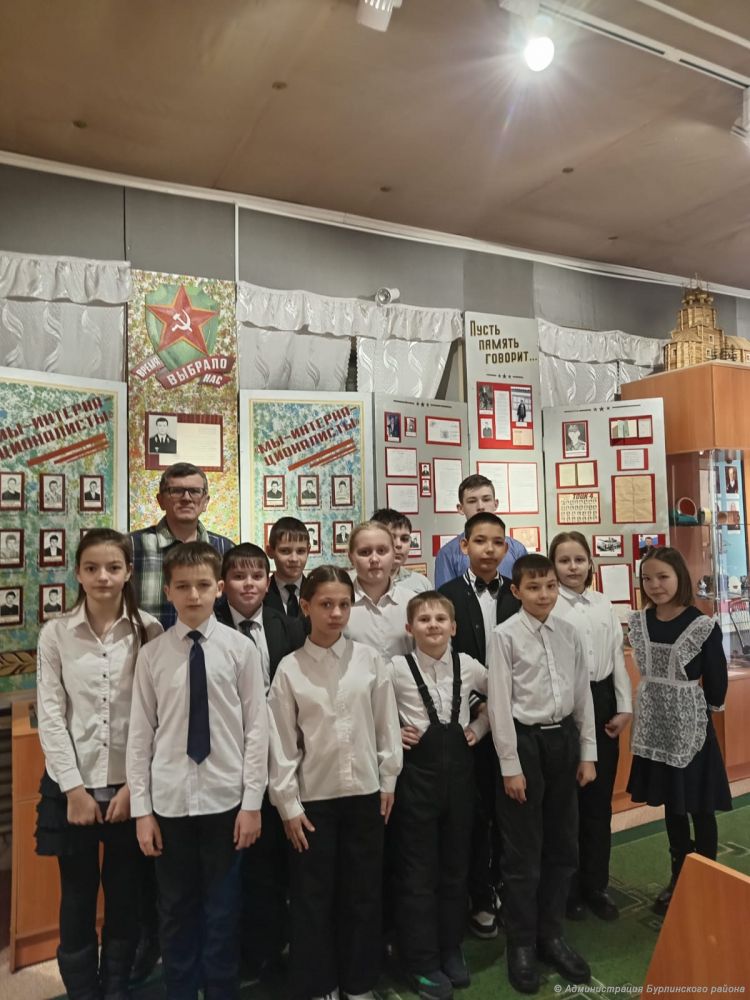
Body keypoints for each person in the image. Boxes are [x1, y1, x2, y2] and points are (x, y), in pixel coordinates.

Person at [127, 542, 269, 1000]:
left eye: (203, 585)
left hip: (227, 802)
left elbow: (257, 730)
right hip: (169, 803)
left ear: (219, 589)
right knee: (174, 910)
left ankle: (222, 990)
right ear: (167, 591)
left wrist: (252, 803)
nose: (193, 595)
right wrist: (142, 811)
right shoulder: (152, 656)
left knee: (223, 910)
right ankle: (182, 991)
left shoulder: (240, 650)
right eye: (183, 586)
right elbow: (140, 737)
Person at [35, 529, 162, 1000]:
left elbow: (156, 716)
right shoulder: (56, 633)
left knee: (126, 897)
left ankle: (117, 988)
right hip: (73, 788)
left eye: (113, 567)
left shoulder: (150, 630)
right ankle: (83, 992)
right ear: (78, 573)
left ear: (129, 572)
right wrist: (73, 789)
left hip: (130, 788)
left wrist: (134, 787)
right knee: (77, 897)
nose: (102, 577)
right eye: (91, 568)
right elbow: (51, 714)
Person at [267, 565, 402, 1000]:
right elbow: (282, 744)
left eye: (344, 604)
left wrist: (388, 779)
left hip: (365, 796)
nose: (336, 613)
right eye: (326, 604)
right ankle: (319, 983)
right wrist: (288, 805)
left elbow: (386, 726)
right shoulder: (290, 669)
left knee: (363, 895)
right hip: (313, 803)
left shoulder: (369, 660)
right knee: (312, 899)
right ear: (306, 607)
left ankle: (359, 983)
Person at [488, 554, 596, 994]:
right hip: (525, 743)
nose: (544, 594)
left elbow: (582, 694)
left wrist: (587, 753)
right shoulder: (504, 636)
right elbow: (499, 704)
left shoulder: (569, 632)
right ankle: (521, 943)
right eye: (533, 587)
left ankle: (551, 935)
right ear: (516, 591)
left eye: (550, 585)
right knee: (523, 853)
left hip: (562, 741)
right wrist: (510, 766)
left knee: (563, 844)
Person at [389, 591, 490, 1000]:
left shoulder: (469, 665)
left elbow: (503, 695)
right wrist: (393, 732)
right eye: (424, 619)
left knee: (455, 868)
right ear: (409, 628)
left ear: (454, 626)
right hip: (416, 783)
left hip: (460, 783)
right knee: (417, 874)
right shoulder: (395, 668)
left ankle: (450, 947)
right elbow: (371, 712)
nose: (433, 625)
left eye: (440, 619)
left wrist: (480, 727)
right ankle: (420, 959)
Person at [214, 542, 306, 980]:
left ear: (268, 583)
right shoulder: (211, 625)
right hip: (230, 758)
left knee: (275, 859)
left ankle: (273, 948)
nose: (248, 585)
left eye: (256, 577)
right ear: (222, 584)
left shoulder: (284, 624)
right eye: (238, 577)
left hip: (281, 754)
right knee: (240, 861)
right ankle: (242, 951)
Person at [626, 546, 731, 916]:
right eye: (647, 578)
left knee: (699, 805)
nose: (655, 585)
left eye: (663, 577)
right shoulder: (640, 621)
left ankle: (708, 875)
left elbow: (716, 678)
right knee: (673, 805)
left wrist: (710, 712)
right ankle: (679, 874)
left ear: (680, 578)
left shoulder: (700, 624)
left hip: (691, 727)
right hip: (656, 726)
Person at [438, 512, 521, 941]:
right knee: (473, 814)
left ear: (506, 548)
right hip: (467, 721)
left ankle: (509, 888)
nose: (489, 549)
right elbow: (443, 657)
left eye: (497, 542)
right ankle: (479, 896)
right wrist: (478, 707)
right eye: (480, 541)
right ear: (464, 546)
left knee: (510, 811)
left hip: (515, 718)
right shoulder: (447, 595)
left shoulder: (519, 593)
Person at [550, 532, 632, 921]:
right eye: (564, 560)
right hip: (565, 706)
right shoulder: (549, 604)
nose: (572, 567)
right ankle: (566, 889)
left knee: (599, 802)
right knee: (567, 805)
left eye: (579, 559)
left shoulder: (603, 603)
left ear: (590, 563)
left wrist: (624, 706)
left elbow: (616, 656)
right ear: (553, 566)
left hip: (602, 702)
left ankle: (596, 884)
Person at [130, 463, 234, 629]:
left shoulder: (225, 549)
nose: (186, 498)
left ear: (206, 501)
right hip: (146, 645)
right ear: (160, 500)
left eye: (194, 491)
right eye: (176, 491)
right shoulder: (131, 547)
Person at [434, 475, 526, 589]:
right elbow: (445, 597)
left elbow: (526, 592)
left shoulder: (517, 550)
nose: (480, 507)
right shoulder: (447, 554)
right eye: (472, 501)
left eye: (486, 499)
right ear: (461, 508)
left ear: (495, 504)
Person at [345, 521, 413, 659]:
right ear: (351, 558)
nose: (374, 559)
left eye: (382, 551)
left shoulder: (412, 603)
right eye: (365, 552)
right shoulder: (340, 606)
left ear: (393, 554)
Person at [371, 508, 432, 594]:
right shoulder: (355, 583)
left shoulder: (421, 584)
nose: (398, 544)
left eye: (404, 539)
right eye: (391, 538)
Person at [264, 517, 310, 621]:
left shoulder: (317, 593)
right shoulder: (260, 595)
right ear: (270, 551)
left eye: (300, 551)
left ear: (308, 551)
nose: (294, 559)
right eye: (285, 551)